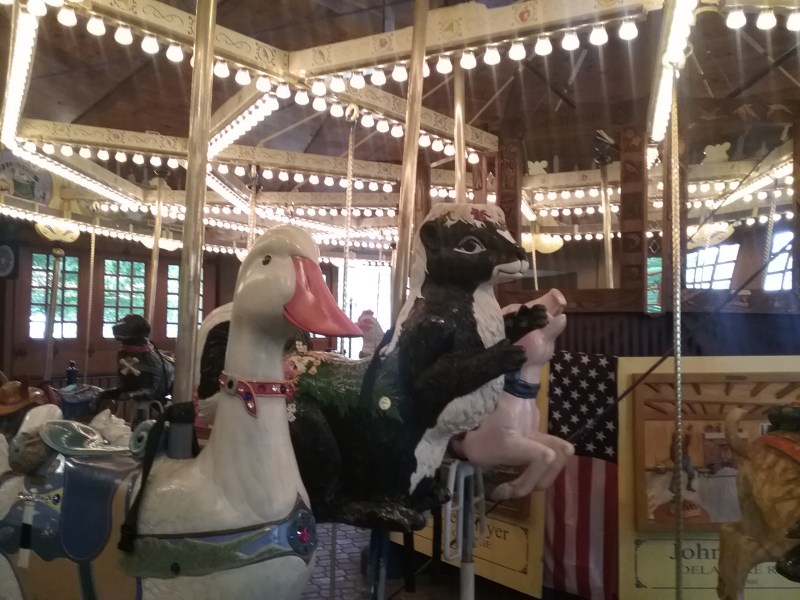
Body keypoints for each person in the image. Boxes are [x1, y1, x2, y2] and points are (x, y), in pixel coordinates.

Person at [671, 424, 696, 492]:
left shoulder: (683, 443)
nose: (680, 438)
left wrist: (688, 434)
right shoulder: (673, 445)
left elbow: (687, 443)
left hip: (686, 459)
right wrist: (676, 461)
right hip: (679, 460)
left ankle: (688, 486)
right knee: (676, 474)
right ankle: (672, 487)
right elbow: (672, 456)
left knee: (691, 473)